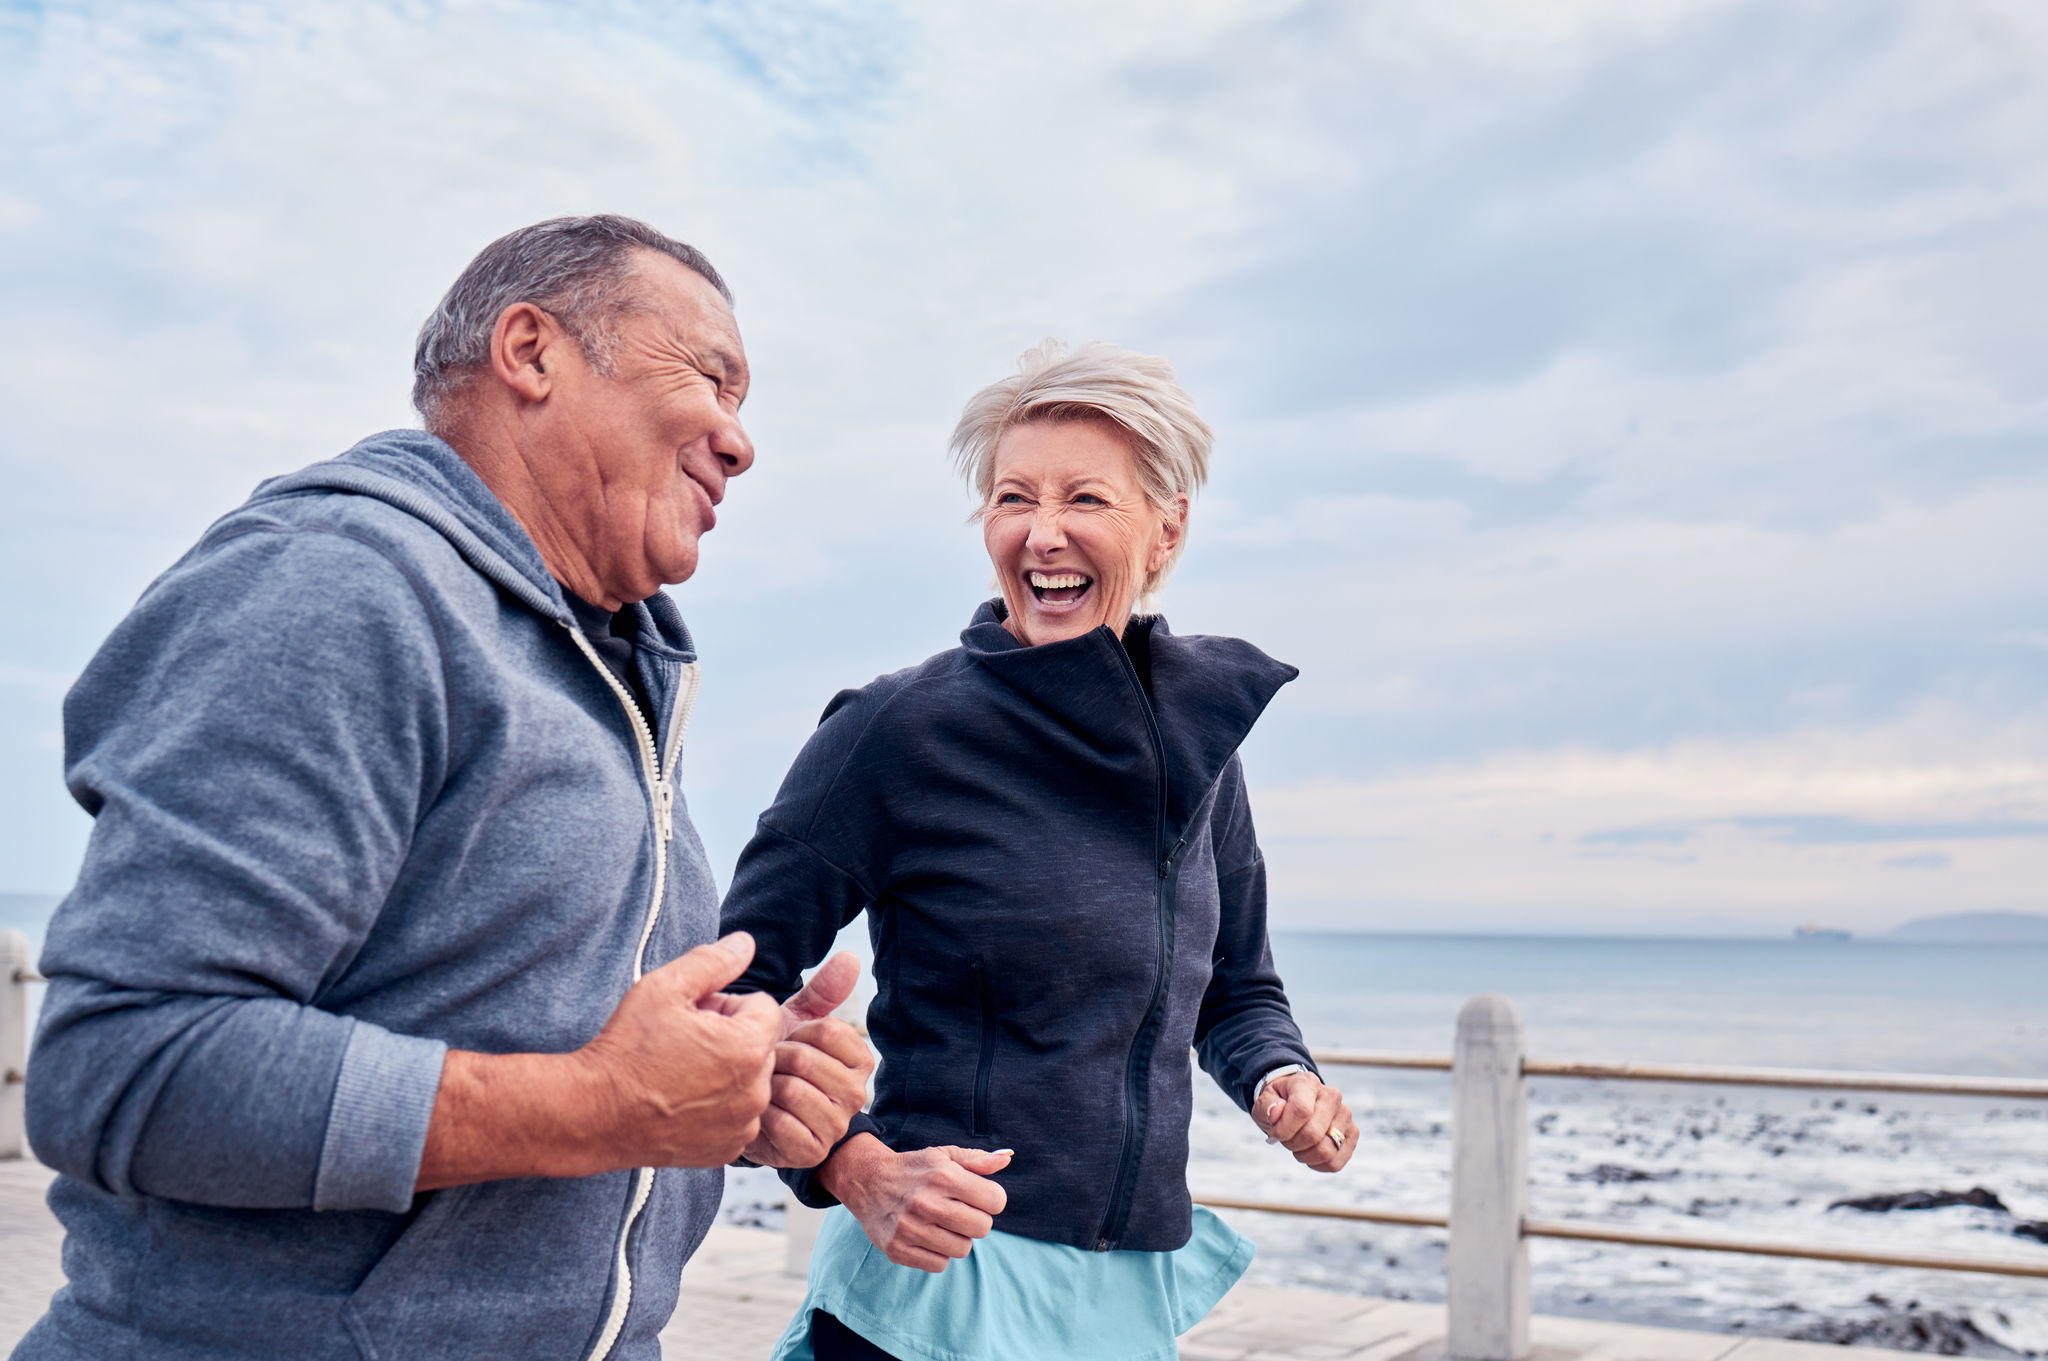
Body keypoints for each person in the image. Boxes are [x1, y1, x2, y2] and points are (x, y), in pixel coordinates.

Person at [15, 215, 874, 1361]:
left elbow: (539, 1034)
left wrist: (731, 1095)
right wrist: (600, 1107)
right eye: (713, 377)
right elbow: (119, 1066)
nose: (741, 441)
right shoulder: (340, 585)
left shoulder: (606, 673)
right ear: (530, 351)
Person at [721, 340, 1359, 1361]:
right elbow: (728, 987)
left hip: (1122, 1299)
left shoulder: (1199, 750)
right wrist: (850, 1165)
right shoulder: (894, 730)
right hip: (934, 1296)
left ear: (1165, 528)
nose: (1042, 532)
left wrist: (1282, 1076)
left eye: (1085, 500)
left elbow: (1235, 993)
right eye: (1012, 496)